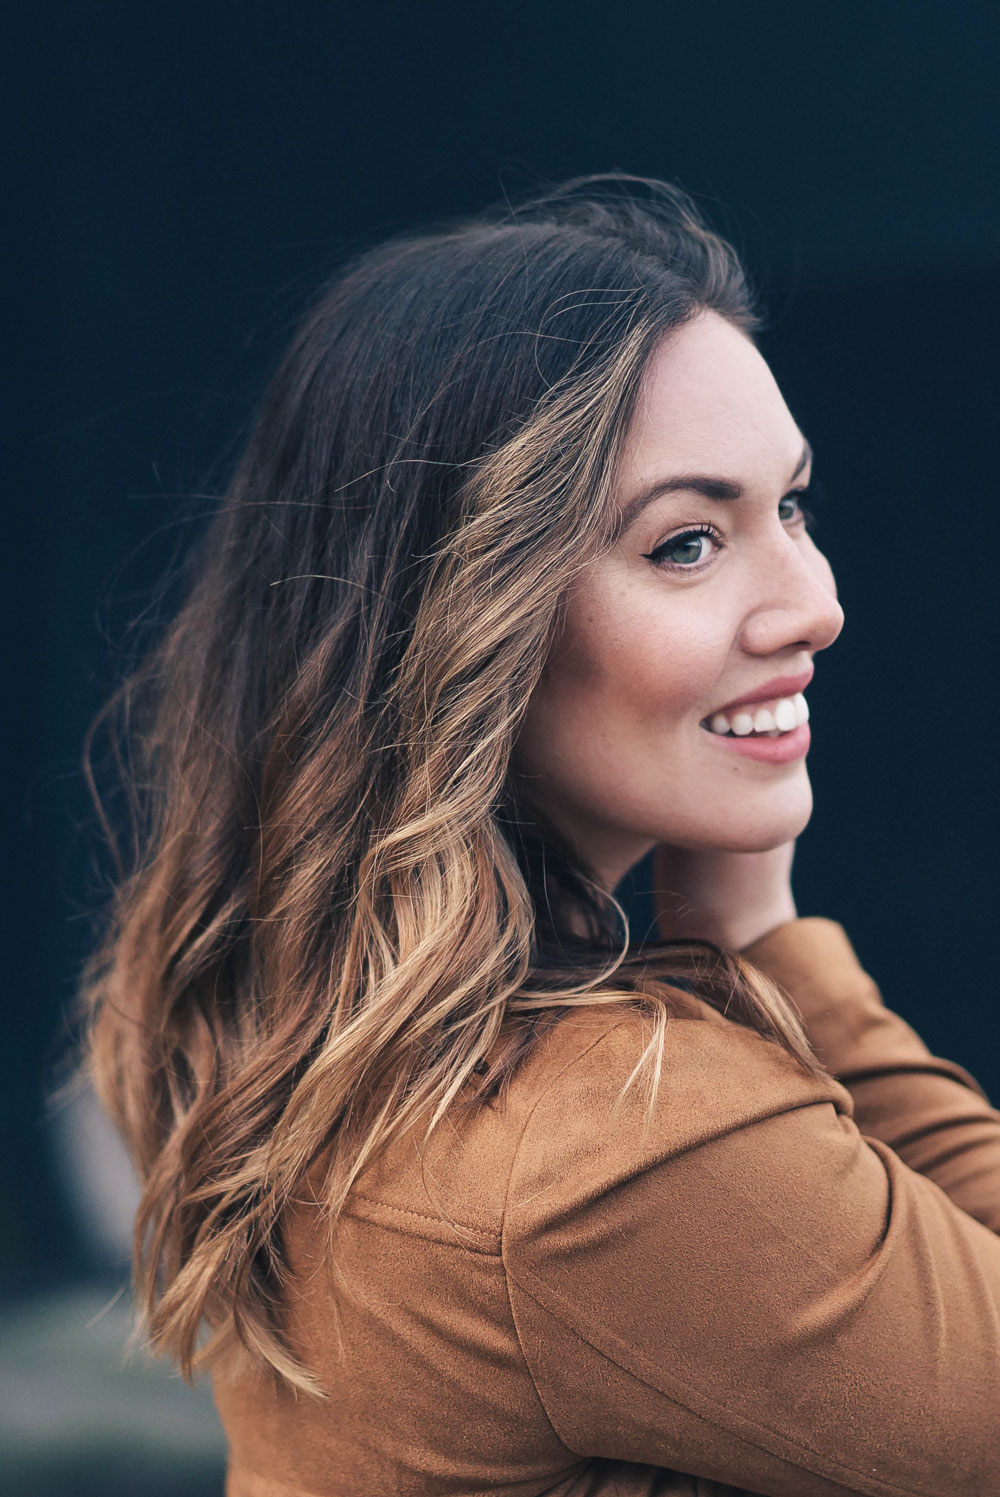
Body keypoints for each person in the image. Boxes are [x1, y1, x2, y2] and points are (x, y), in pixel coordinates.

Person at [79, 174, 1000, 1496]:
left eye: (790, 507)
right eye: (687, 542)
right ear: (467, 619)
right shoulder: (619, 1142)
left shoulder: (330, 1044)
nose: (815, 603)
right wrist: (767, 938)